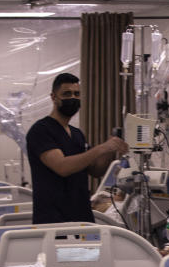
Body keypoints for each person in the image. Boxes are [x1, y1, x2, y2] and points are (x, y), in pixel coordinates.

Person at [25, 72, 128, 224]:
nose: (72, 98)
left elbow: (95, 171)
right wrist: (101, 148)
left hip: (81, 218)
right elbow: (62, 167)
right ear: (54, 97)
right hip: (54, 221)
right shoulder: (41, 130)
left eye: (76, 94)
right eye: (67, 94)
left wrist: (109, 150)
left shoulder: (77, 134)